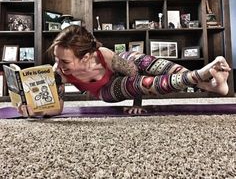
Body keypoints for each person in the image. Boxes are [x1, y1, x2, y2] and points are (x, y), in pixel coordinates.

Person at [18, 25, 231, 117]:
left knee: (147, 62)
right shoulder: (59, 73)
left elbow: (133, 71)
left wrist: (137, 104)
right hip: (107, 89)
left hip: (126, 67)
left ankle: (207, 83)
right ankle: (201, 76)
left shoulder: (104, 55)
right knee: (139, 84)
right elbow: (58, 108)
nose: (58, 64)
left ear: (85, 57)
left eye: (64, 60)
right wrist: (37, 110)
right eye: (56, 58)